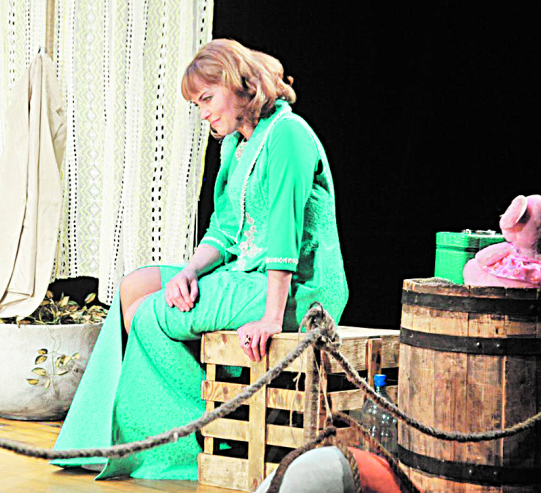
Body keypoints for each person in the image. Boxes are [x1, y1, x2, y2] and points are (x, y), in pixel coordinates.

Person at [51, 39, 348, 481]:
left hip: (298, 290)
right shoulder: (236, 147)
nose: (204, 113)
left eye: (207, 98)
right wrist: (189, 272)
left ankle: (199, 436)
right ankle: (166, 426)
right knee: (135, 287)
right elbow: (225, 230)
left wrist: (271, 318)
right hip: (246, 274)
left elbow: (284, 233)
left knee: (150, 316)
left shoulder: (288, 135)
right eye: (197, 105)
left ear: (239, 85)